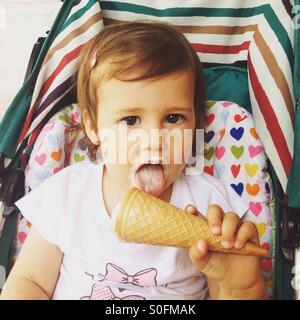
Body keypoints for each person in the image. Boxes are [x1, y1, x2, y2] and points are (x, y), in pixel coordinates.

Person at [0, 22, 267, 300]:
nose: (154, 140)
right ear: (93, 128)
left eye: (173, 118)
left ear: (196, 124)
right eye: (130, 120)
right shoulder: (68, 193)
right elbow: (30, 280)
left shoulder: (213, 207)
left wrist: (242, 287)